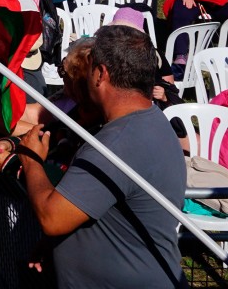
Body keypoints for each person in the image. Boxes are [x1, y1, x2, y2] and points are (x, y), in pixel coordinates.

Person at [15, 25, 186, 288]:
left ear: (100, 74)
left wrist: (31, 160)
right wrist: (53, 245)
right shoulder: (147, 121)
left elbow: (51, 218)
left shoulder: (117, 143)